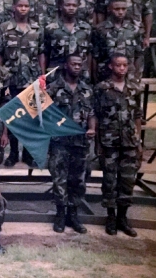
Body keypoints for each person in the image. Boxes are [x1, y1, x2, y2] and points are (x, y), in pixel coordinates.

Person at [46, 54, 96, 234]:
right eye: (73, 64)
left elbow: (91, 113)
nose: (77, 67)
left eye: (79, 64)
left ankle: (73, 215)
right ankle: (60, 214)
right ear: (65, 66)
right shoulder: (53, 89)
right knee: (59, 179)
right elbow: (43, 114)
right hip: (60, 142)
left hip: (80, 143)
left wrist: (92, 129)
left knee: (78, 180)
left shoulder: (87, 90)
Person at [94, 53, 142, 237]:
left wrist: (138, 142)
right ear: (111, 67)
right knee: (109, 181)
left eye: (125, 65)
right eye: (118, 65)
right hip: (109, 143)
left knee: (128, 180)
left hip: (129, 142)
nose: (121, 68)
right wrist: (98, 144)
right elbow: (96, 117)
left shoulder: (134, 88)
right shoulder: (102, 88)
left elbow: (137, 116)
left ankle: (123, 218)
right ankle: (111, 218)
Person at [0, 0, 46, 167]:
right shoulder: (4, 28)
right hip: (11, 79)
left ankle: (27, 154)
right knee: (13, 118)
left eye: (26, 6)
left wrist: (42, 76)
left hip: (31, 79)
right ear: (14, 7)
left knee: (30, 117)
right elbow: (0, 54)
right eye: (20, 6)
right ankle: (13, 153)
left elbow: (41, 53)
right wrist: (0, 77)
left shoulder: (37, 29)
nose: (23, 9)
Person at [91, 0, 143, 83]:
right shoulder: (100, 30)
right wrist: (94, 76)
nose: (120, 12)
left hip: (128, 76)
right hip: (105, 75)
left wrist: (137, 76)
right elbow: (94, 57)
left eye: (123, 9)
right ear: (109, 9)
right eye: (117, 9)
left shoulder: (134, 30)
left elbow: (139, 55)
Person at [44, 0, 92, 83]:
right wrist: (43, 74)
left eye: (74, 5)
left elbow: (89, 54)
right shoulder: (51, 28)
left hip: (79, 75)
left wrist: (88, 71)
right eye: (67, 5)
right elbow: (45, 54)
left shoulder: (86, 28)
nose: (71, 8)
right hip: (56, 75)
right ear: (61, 7)